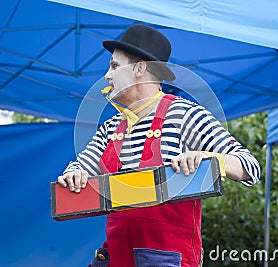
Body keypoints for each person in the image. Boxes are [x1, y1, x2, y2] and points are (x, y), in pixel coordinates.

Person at [58, 24, 260, 267]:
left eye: (114, 66)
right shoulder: (110, 127)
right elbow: (82, 167)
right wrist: (74, 175)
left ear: (140, 68)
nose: (107, 76)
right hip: (115, 257)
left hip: (166, 259)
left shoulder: (185, 114)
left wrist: (209, 158)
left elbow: (250, 167)